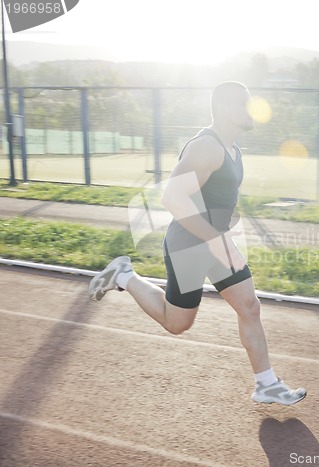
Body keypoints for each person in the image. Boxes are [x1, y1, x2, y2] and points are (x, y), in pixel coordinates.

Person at [89, 81, 306, 405]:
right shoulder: (208, 146)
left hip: (213, 241)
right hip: (188, 244)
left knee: (250, 306)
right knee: (177, 323)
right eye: (243, 103)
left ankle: (266, 384)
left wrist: (224, 231)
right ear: (223, 109)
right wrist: (213, 237)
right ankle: (124, 275)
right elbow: (172, 197)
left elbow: (210, 196)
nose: (251, 110)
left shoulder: (232, 151)